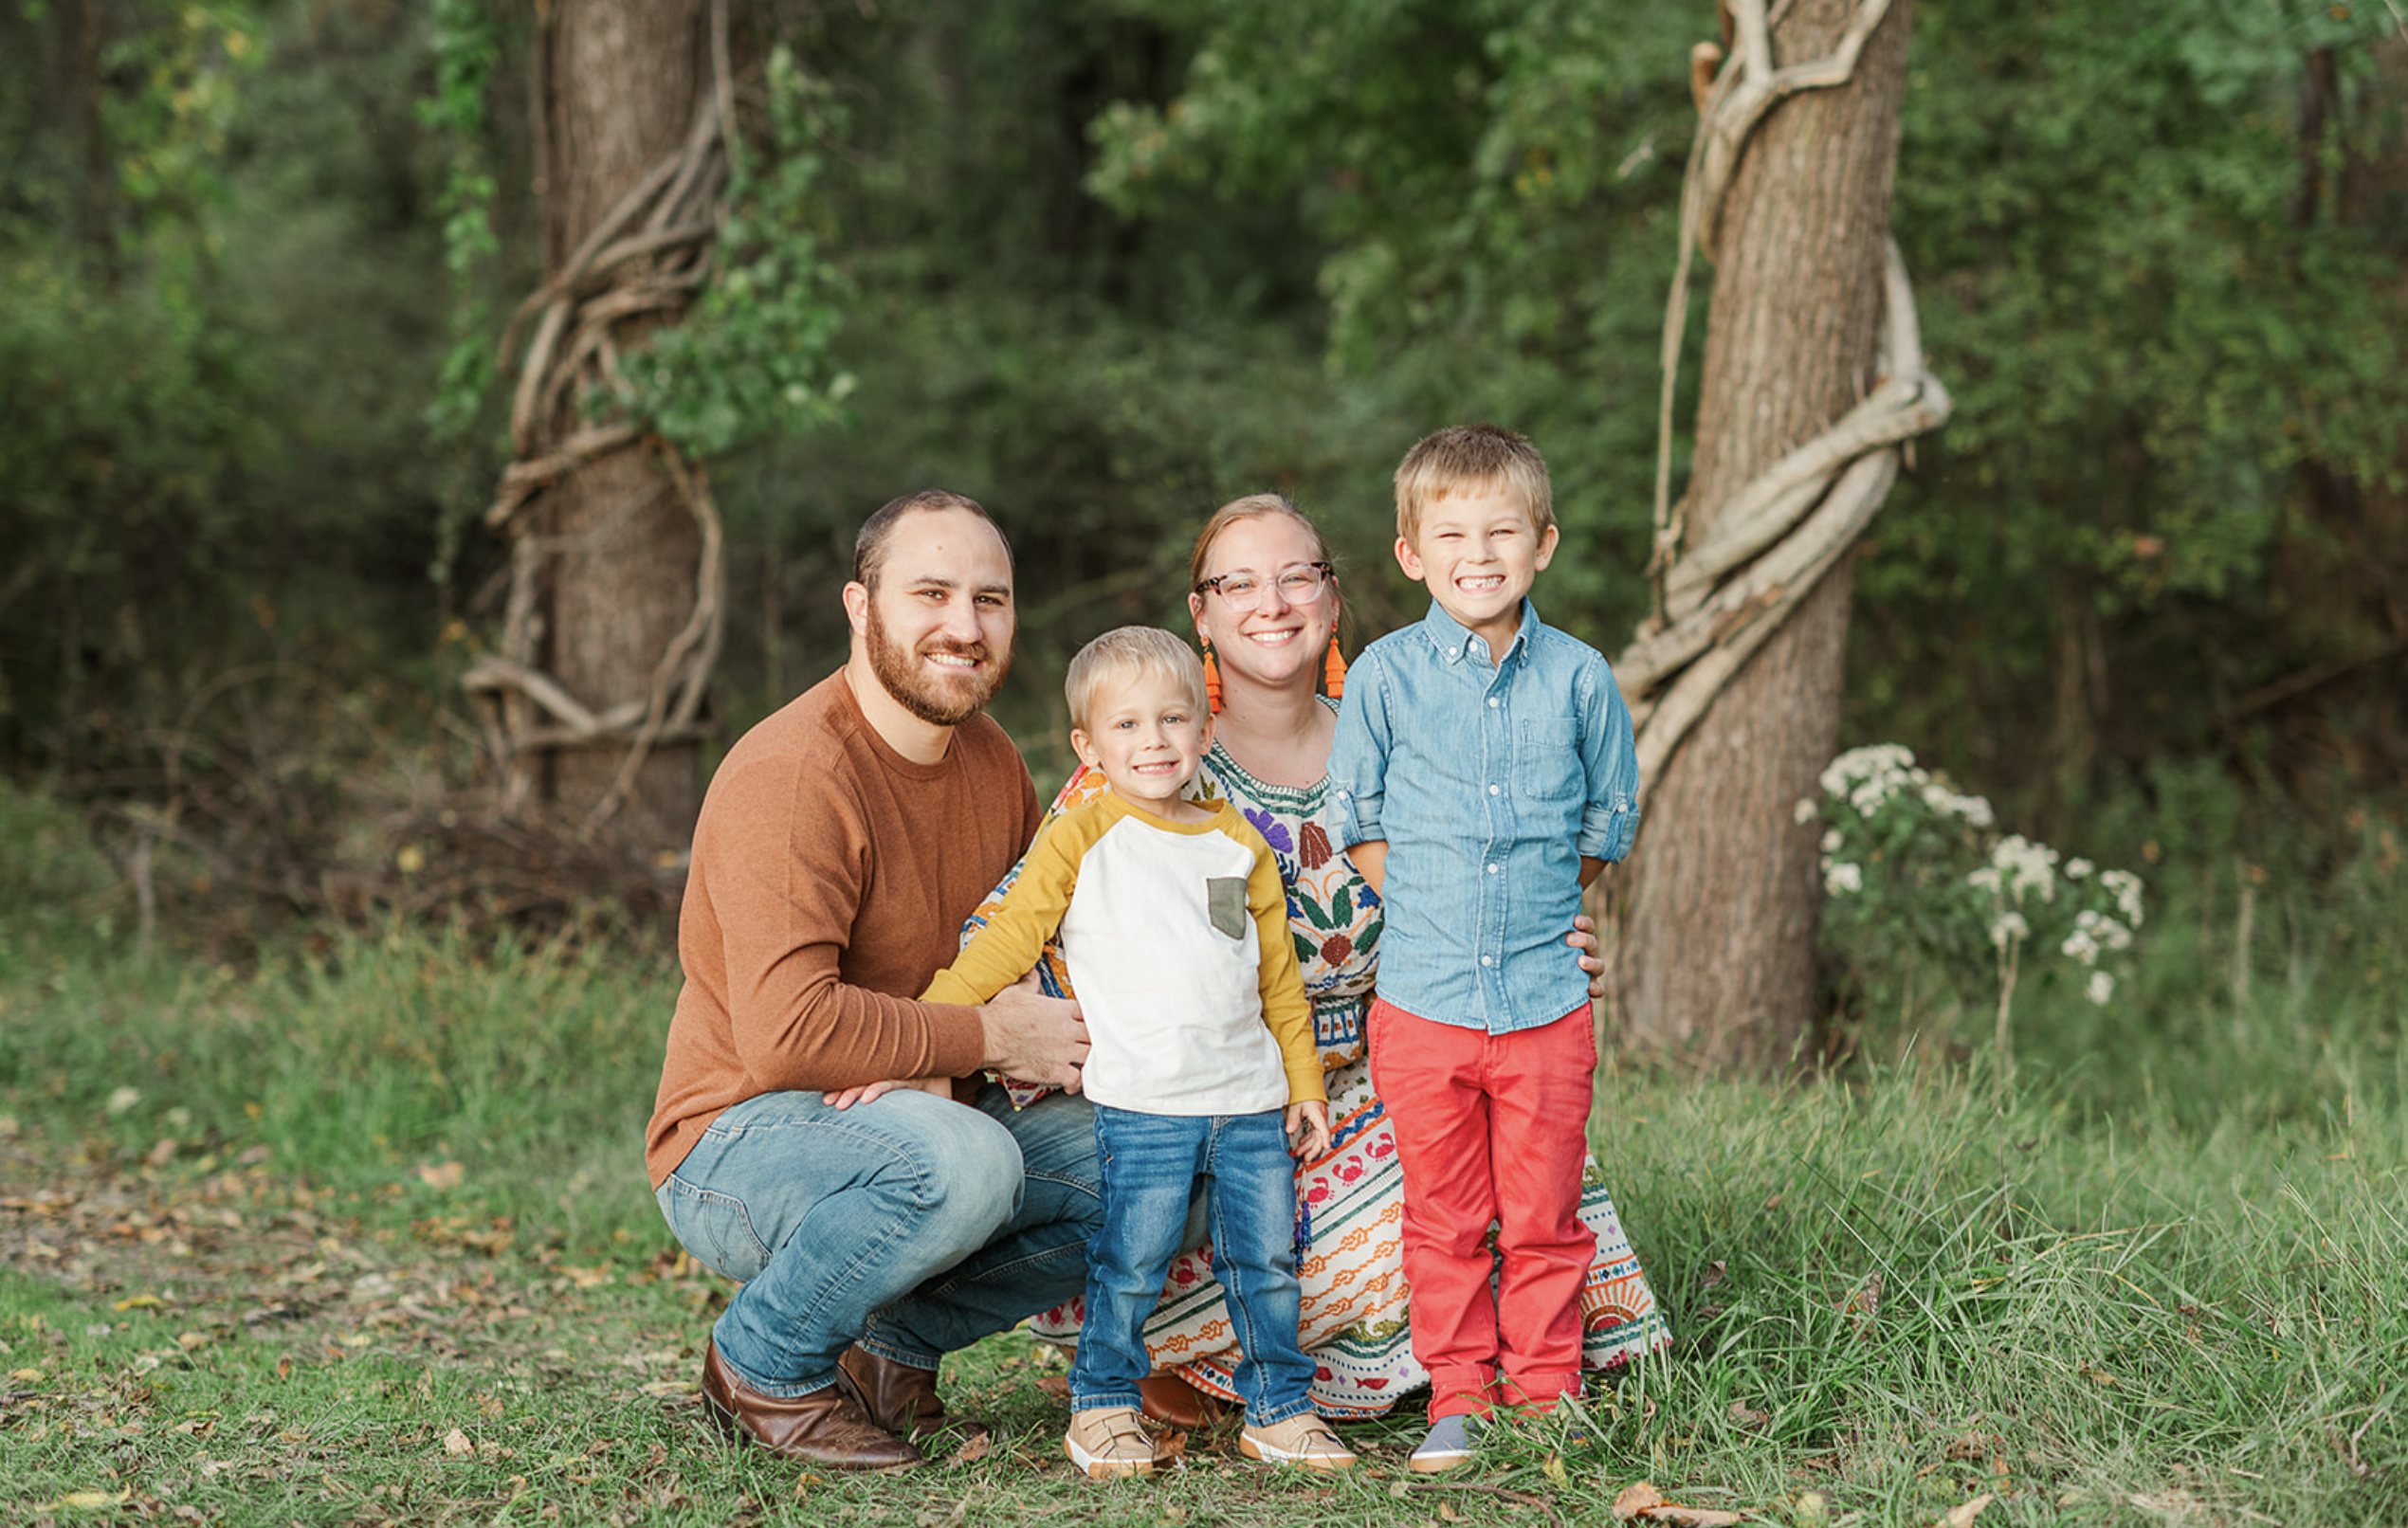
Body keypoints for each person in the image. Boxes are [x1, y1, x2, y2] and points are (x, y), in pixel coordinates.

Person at [1011, 492, 1668, 1427]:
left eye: (1297, 576)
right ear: (1199, 614)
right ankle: (1186, 1351)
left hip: (1389, 1053)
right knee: (1401, 1190)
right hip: (1207, 1084)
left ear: (1331, 598)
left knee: (1529, 1150)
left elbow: (1492, 861)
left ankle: (1517, 1373)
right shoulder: (1153, 750)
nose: (1270, 601)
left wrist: (1536, 932)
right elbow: (1018, 925)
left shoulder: (1399, 728)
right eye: (1237, 582)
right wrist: (987, 1036)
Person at [646, 489, 1096, 1471]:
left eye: (990, 599)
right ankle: (759, 1363)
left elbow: (1032, 960)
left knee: (1164, 1153)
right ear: (860, 607)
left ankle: (885, 1349)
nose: (963, 626)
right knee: (960, 1161)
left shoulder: (989, 762)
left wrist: (952, 1064)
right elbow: (786, 1033)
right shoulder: (794, 773)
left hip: (925, 1106)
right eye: (929, 592)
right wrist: (978, 1043)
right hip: (738, 1139)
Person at [921, 627, 1355, 1478]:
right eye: (1125, 726)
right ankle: (1104, 1406)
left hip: (1249, 1103)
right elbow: (1007, 945)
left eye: (1172, 720)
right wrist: (924, 1025)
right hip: (1144, 1105)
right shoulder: (1081, 839)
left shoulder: (1239, 843)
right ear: (1087, 745)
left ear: (1204, 731)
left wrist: (1303, 1083)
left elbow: (1278, 984)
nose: (1153, 741)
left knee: (1266, 1260)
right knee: (1131, 1263)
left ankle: (1281, 1409)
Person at [1327, 424, 1642, 1472]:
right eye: (1449, 533)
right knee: (1448, 1213)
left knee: (1543, 1210)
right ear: (1411, 552)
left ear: (1541, 543)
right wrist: (1432, 907)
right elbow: (1355, 813)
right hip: (1419, 1002)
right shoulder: (1382, 676)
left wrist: (1535, 903)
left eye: (1500, 530)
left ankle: (1548, 1387)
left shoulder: (1579, 677)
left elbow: (1604, 820)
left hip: (1547, 1001)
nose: (1478, 552)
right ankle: (1460, 1391)